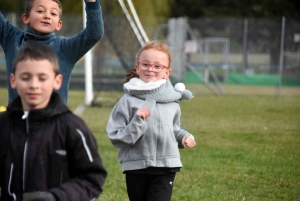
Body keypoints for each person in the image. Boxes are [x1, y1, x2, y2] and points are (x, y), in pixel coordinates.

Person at [0, 41, 107, 201]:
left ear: (57, 81)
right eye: (26, 77)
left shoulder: (72, 127)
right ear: (13, 80)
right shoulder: (3, 124)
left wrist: (55, 197)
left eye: (42, 78)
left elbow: (92, 178)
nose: (34, 85)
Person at [106, 40, 197, 201]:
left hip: (166, 166)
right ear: (137, 67)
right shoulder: (127, 101)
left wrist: (183, 137)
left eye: (157, 66)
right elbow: (117, 137)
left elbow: (174, 129)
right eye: (146, 64)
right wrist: (137, 122)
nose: (150, 69)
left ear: (167, 73)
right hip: (136, 167)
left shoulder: (172, 102)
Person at [0, 0, 104, 104]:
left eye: (53, 13)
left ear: (59, 24)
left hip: (53, 120)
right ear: (26, 18)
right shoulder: (12, 39)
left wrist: (92, 2)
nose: (47, 16)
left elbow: (94, 34)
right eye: (40, 11)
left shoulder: (65, 49)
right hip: (17, 119)